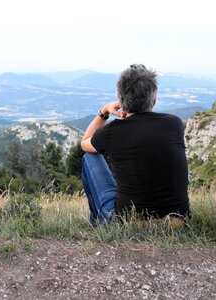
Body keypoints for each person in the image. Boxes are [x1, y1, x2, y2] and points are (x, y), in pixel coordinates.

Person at [81, 64, 190, 225]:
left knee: (89, 157)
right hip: (177, 221)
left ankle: (97, 223)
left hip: (129, 221)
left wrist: (104, 112)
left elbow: (84, 143)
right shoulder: (174, 124)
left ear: (121, 101)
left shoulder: (113, 131)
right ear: (154, 99)